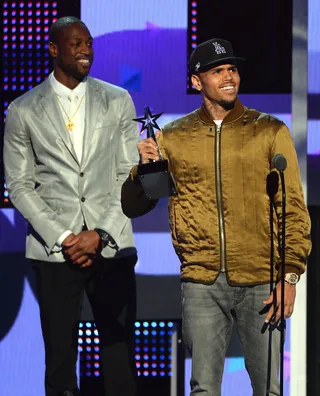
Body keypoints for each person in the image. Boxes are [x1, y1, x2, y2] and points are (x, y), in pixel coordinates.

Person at [121, 38, 311, 395]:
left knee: (268, 388)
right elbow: (136, 206)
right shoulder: (174, 138)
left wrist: (289, 274)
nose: (228, 77)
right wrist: (142, 170)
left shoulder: (269, 130)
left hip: (262, 281)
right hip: (202, 282)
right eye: (217, 70)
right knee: (203, 389)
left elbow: (293, 211)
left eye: (232, 69)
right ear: (196, 82)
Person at [4, 16, 139, 396]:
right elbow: (19, 185)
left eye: (89, 43)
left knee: (119, 357)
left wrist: (101, 233)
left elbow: (128, 175)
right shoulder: (23, 110)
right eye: (76, 44)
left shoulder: (118, 99)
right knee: (61, 360)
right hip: (55, 253)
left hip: (111, 246)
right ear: (53, 49)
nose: (85, 51)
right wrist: (65, 237)